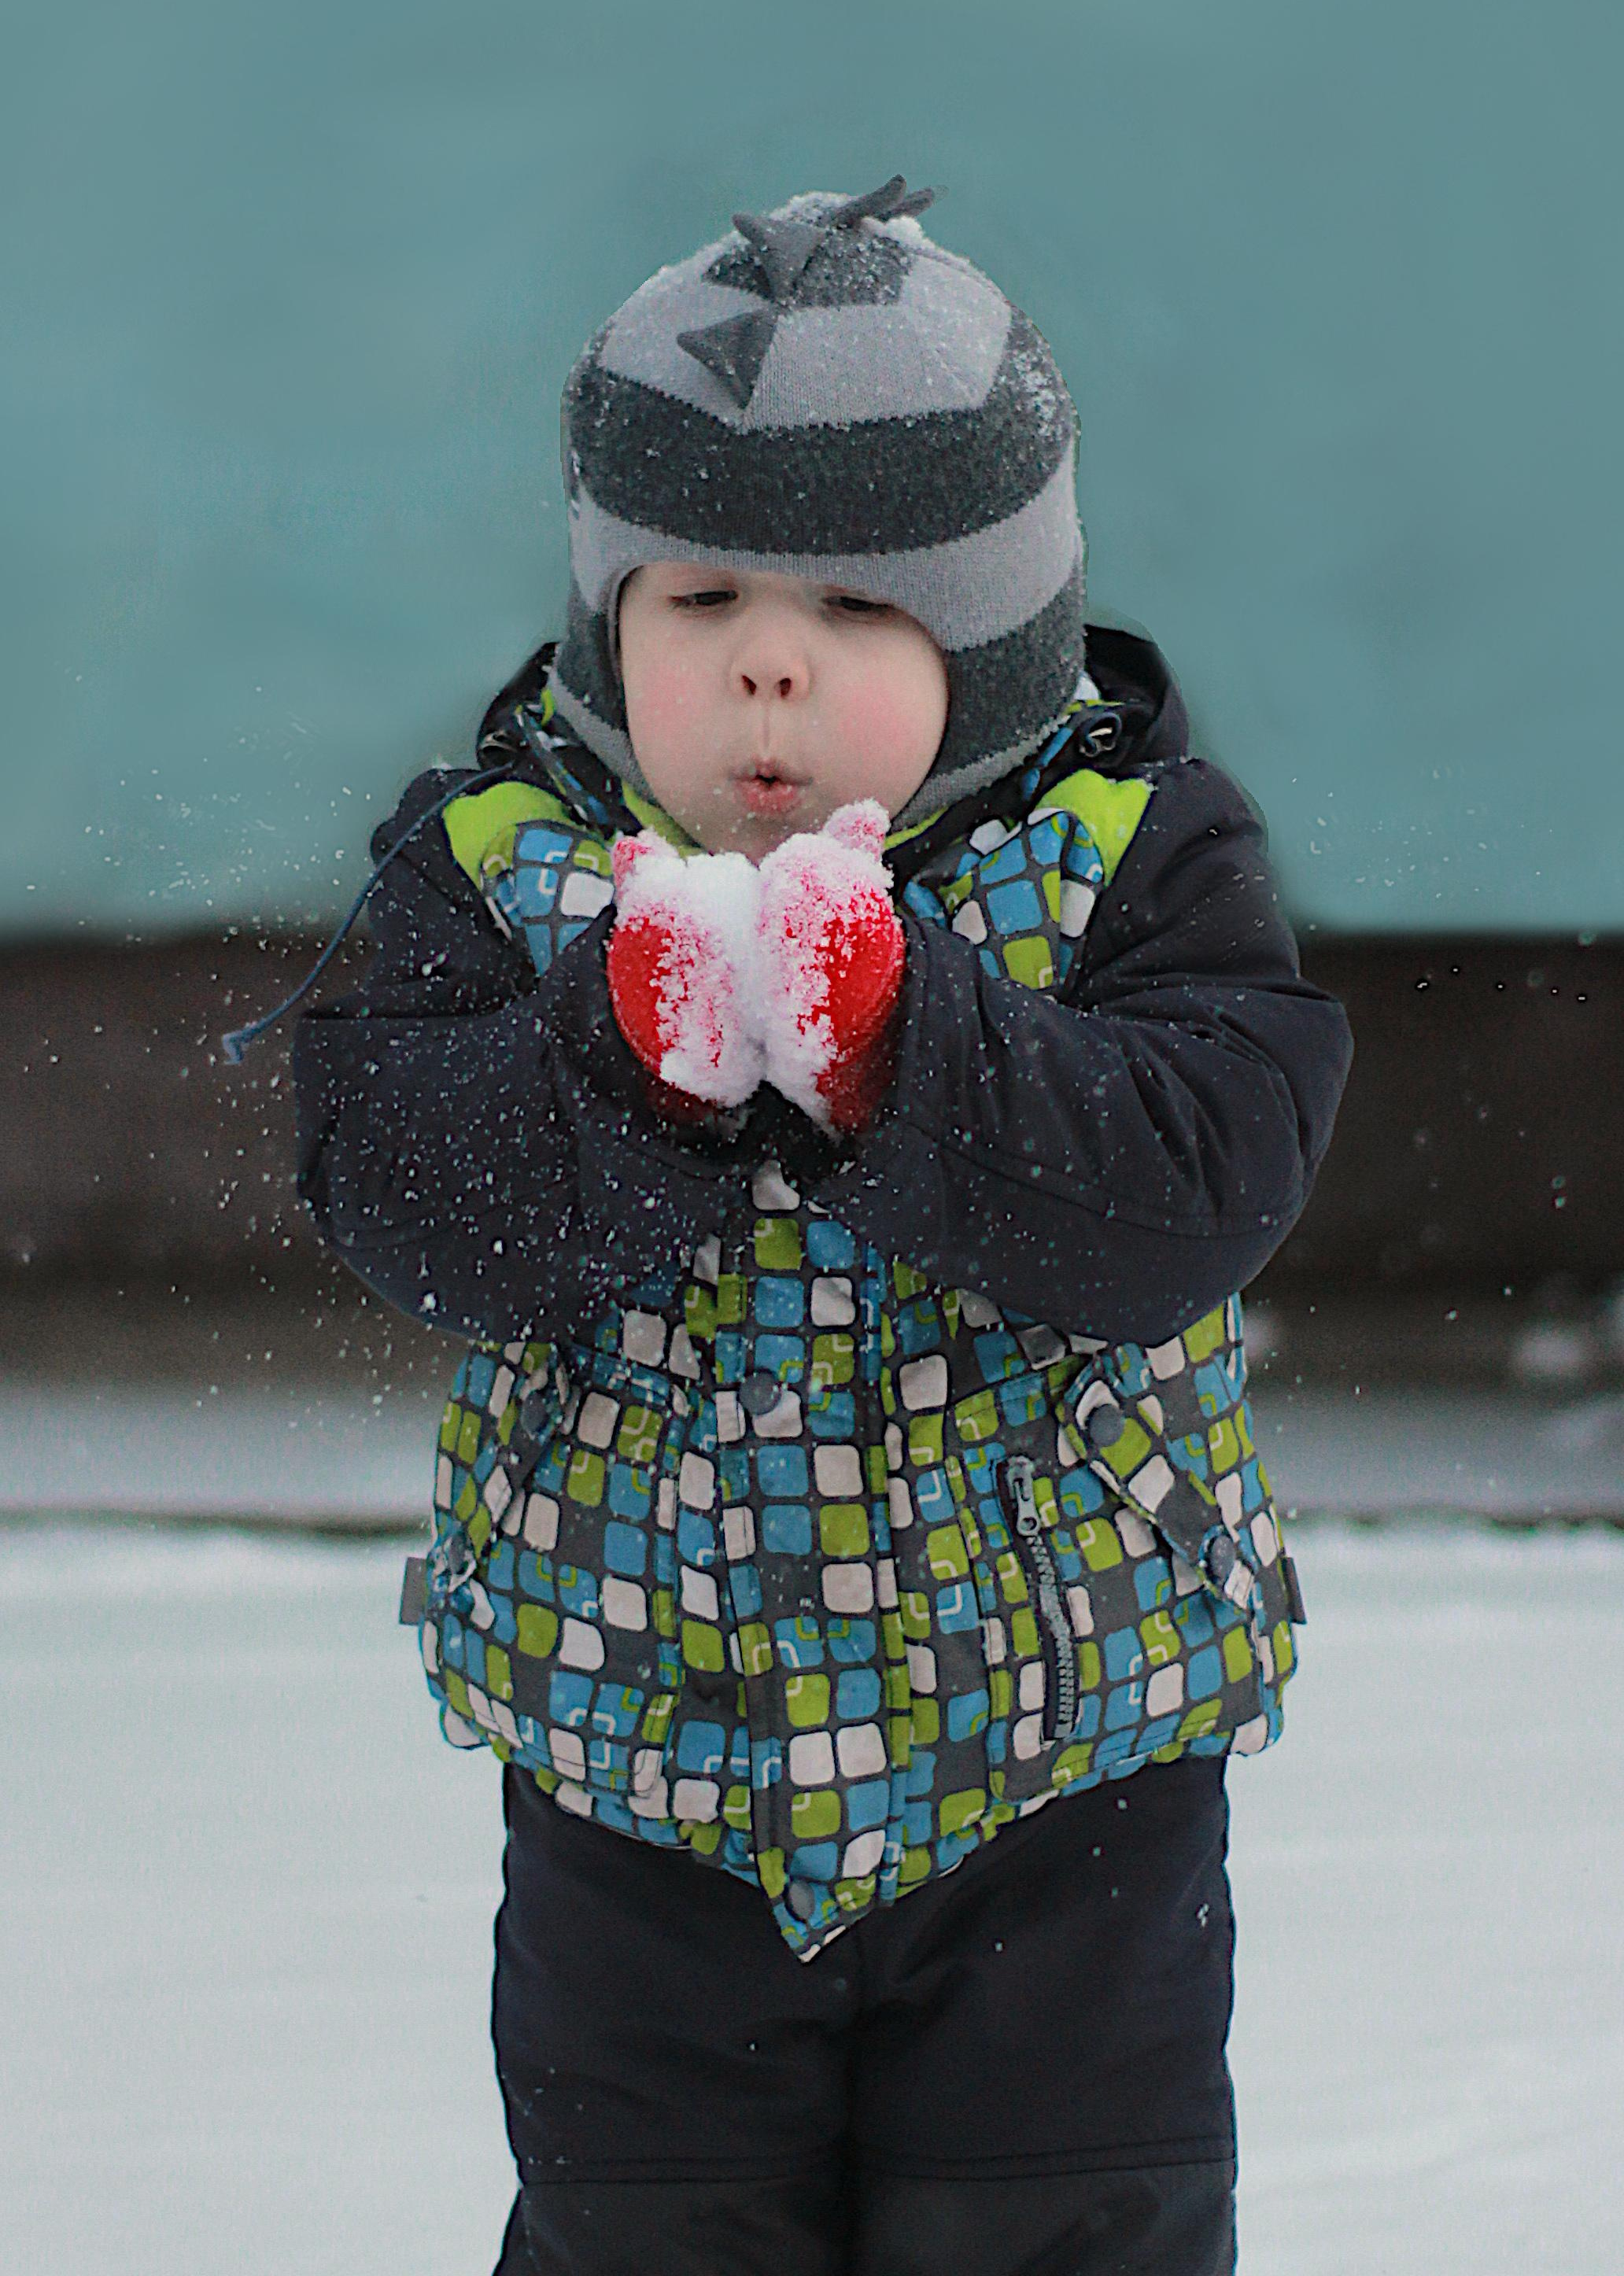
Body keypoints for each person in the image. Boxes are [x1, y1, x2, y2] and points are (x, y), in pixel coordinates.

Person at [289, 175, 1352, 2275]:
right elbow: (405, 1197)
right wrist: (627, 1066)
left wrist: (910, 1050)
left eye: (862, 616)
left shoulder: (1134, 856)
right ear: (609, 624)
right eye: (699, 605)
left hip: (1070, 1777)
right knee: (649, 2236)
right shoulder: (503, 869)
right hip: (642, 1785)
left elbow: (1194, 1189)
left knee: (1057, 2233)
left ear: (1003, 631)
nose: (769, 675)